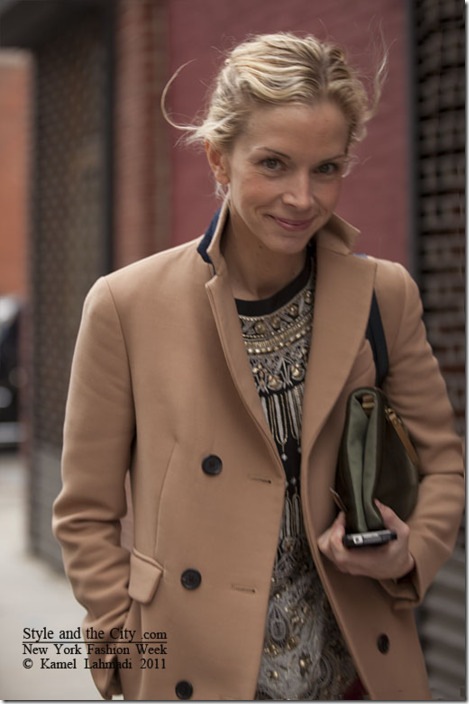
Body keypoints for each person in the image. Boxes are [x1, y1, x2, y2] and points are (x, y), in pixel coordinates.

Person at [53, 32, 464, 701]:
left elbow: (443, 465)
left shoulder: (382, 295)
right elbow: (85, 515)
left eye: (326, 168)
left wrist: (409, 550)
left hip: (355, 675)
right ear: (219, 158)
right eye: (273, 164)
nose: (302, 198)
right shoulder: (126, 306)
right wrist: (122, 652)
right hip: (191, 674)